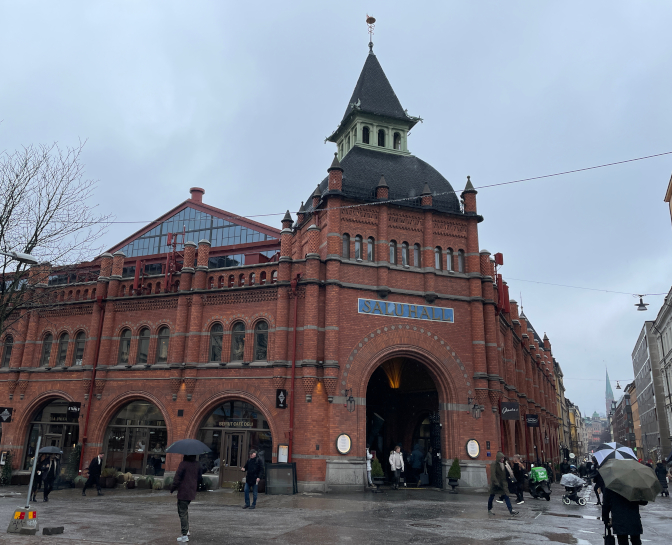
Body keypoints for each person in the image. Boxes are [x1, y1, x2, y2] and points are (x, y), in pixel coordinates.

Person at [170, 454, 200, 543]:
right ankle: (186, 530)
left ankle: (184, 534)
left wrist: (172, 488)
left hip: (183, 491)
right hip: (191, 491)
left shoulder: (183, 464)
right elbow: (199, 477)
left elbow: (177, 478)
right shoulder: (197, 464)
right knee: (184, 510)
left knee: (182, 511)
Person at [488, 452, 519, 516]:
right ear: (498, 458)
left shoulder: (504, 464)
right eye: (501, 458)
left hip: (503, 483)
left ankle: (511, 510)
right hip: (496, 484)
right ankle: (489, 509)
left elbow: (507, 473)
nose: (502, 459)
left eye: (503, 458)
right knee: (492, 496)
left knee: (506, 496)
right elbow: (493, 475)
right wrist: (496, 483)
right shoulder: (494, 464)